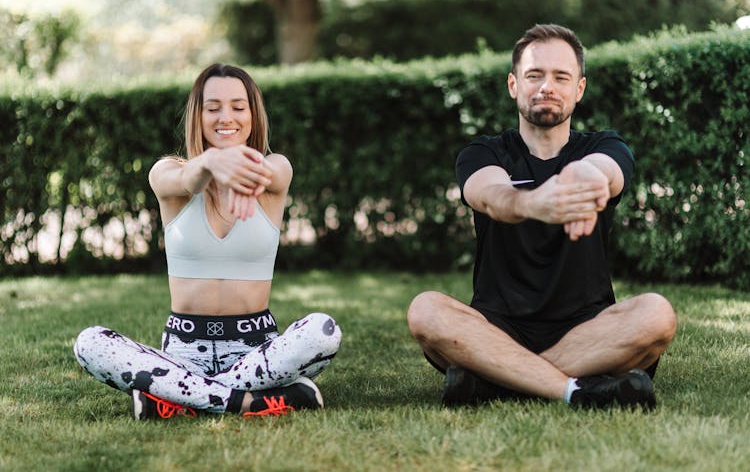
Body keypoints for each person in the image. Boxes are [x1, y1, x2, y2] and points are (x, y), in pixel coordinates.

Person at [406, 24, 676, 409]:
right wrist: (533, 204)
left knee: (656, 314)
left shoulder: (603, 146)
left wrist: (587, 175)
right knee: (426, 310)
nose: (547, 86)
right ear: (514, 84)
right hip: (497, 327)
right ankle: (577, 389)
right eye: (534, 75)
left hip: (588, 330)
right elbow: (491, 195)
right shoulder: (483, 152)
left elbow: (608, 171)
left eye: (561, 77)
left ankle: (493, 380)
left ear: (578, 89)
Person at [74, 63, 342, 420]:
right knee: (89, 343)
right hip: (183, 351)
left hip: (256, 350)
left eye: (237, 106)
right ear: (197, 116)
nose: (225, 117)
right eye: (212, 108)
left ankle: (178, 397)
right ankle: (249, 402)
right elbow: (186, 179)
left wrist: (239, 165)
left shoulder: (276, 168)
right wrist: (212, 161)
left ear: (252, 115)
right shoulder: (167, 172)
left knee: (323, 331)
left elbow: (270, 173)